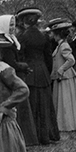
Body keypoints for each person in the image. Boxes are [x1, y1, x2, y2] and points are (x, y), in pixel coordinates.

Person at [0, 15, 39, 146]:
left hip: (15, 76)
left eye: (13, 25)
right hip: (8, 79)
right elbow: (9, 62)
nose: (12, 28)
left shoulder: (11, 39)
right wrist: (23, 66)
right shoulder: (3, 43)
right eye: (9, 25)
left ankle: (23, 138)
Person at [16, 7, 60, 145]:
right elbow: (48, 58)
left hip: (29, 72)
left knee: (32, 104)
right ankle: (47, 134)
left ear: (23, 21)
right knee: (45, 104)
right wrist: (47, 71)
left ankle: (33, 135)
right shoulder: (44, 36)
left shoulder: (21, 37)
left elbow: (20, 56)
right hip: (43, 71)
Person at [48, 19, 76, 132]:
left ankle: (68, 125)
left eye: (54, 34)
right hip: (61, 77)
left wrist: (61, 70)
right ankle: (64, 124)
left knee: (66, 101)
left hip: (65, 77)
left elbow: (71, 60)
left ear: (58, 34)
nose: (53, 36)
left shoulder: (64, 45)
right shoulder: (60, 45)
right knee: (64, 101)